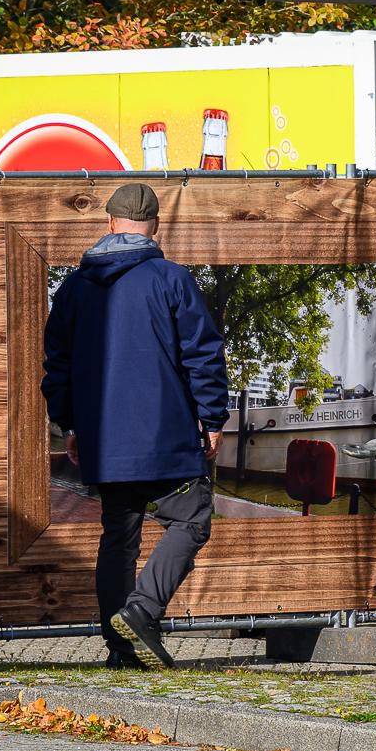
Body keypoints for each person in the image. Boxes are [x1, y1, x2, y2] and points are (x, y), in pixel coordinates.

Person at [42, 182, 228, 670]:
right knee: (191, 519)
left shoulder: (73, 289)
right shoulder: (173, 280)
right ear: (156, 226)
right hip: (166, 437)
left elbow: (57, 365)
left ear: (109, 223)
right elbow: (203, 354)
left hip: (104, 441)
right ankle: (142, 613)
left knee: (118, 539)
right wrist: (212, 416)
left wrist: (69, 425)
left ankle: (121, 651)